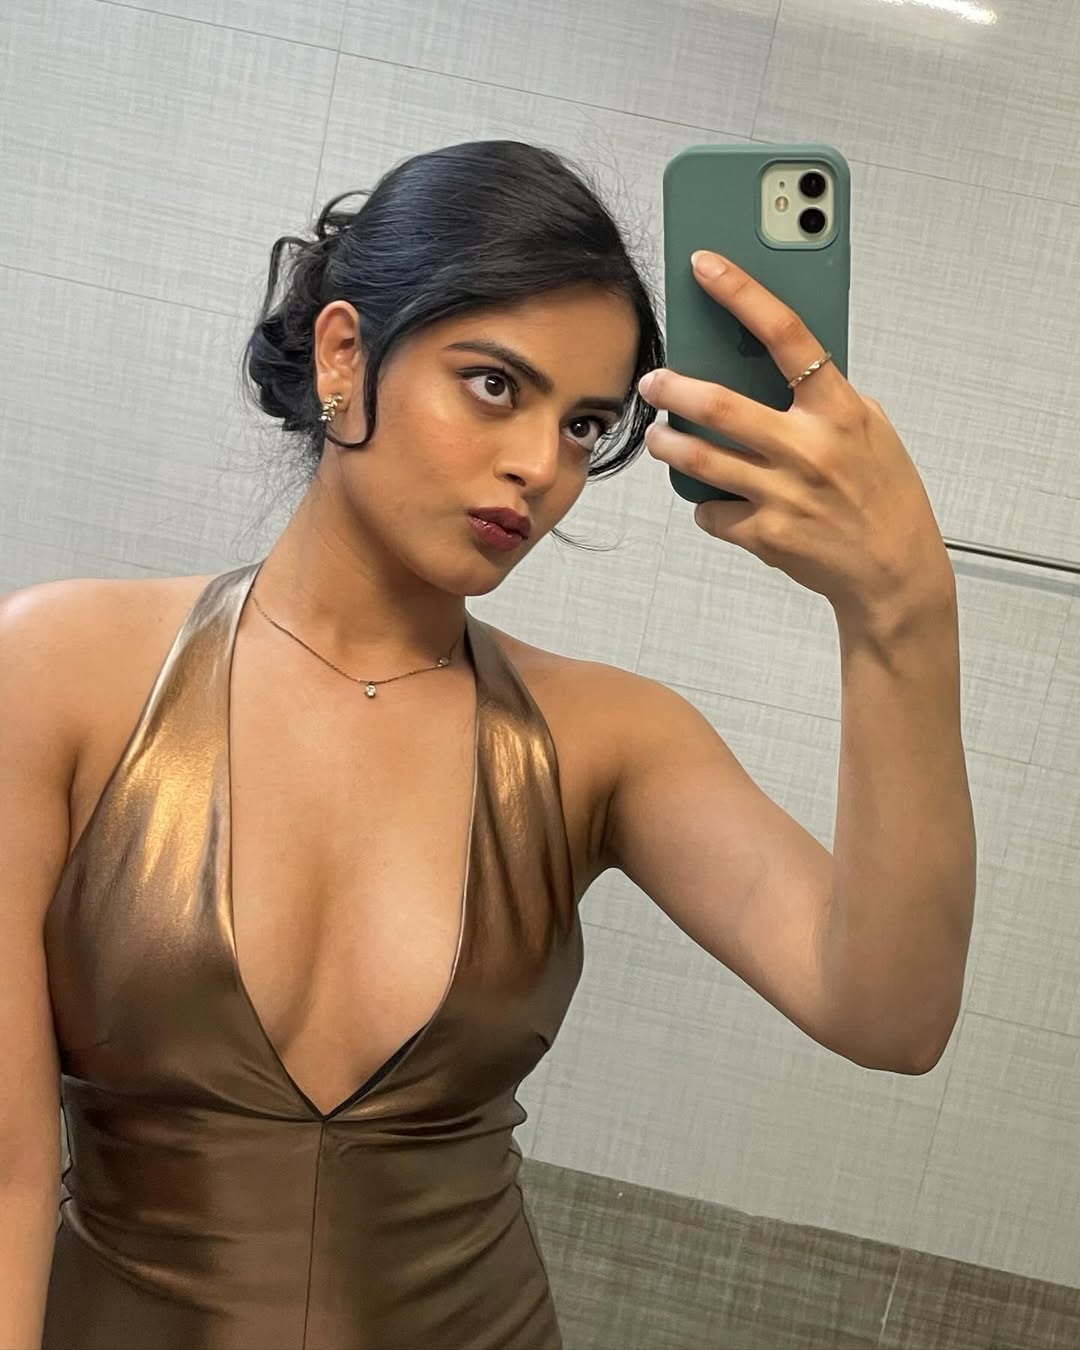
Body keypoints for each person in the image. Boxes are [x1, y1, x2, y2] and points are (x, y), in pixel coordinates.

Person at [0, 139, 975, 1350]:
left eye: (586, 425)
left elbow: (890, 1016)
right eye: (495, 386)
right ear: (346, 356)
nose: (539, 466)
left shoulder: (609, 739)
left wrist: (903, 611)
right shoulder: (59, 671)